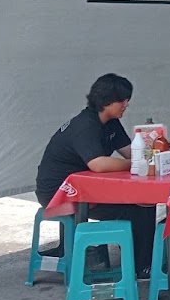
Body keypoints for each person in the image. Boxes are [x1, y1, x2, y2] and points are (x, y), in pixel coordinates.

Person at [35, 73, 156, 277]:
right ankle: (141, 266)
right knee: (138, 208)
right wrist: (136, 164)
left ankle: (142, 258)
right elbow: (98, 164)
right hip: (58, 193)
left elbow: (130, 151)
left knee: (145, 202)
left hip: (85, 190)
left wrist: (153, 150)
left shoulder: (111, 123)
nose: (126, 104)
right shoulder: (85, 125)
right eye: (122, 100)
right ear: (106, 101)